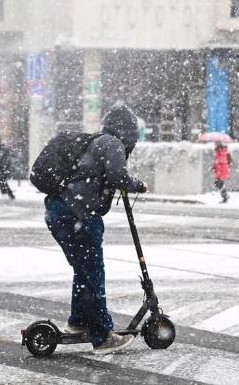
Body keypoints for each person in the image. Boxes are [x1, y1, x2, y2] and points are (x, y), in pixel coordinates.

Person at [44, 104, 147, 355]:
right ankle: (102, 336)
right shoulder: (112, 143)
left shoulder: (97, 141)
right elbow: (118, 177)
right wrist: (138, 185)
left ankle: (79, 321)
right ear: (128, 132)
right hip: (77, 214)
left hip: (59, 210)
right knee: (92, 272)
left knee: (84, 269)